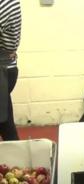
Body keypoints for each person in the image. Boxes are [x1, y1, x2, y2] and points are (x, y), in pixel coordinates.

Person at [0, 0, 21, 141]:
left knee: (6, 126)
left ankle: (17, 161)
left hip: (3, 69)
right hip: (6, 66)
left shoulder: (5, 3)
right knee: (6, 125)